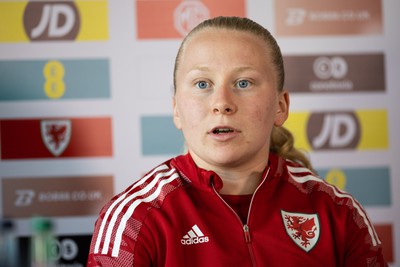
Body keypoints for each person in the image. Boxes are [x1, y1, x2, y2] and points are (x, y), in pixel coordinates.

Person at [87, 16, 387, 266]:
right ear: (177, 108)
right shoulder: (136, 219)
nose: (222, 103)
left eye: (243, 83)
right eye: (202, 84)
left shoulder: (338, 212)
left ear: (280, 106)